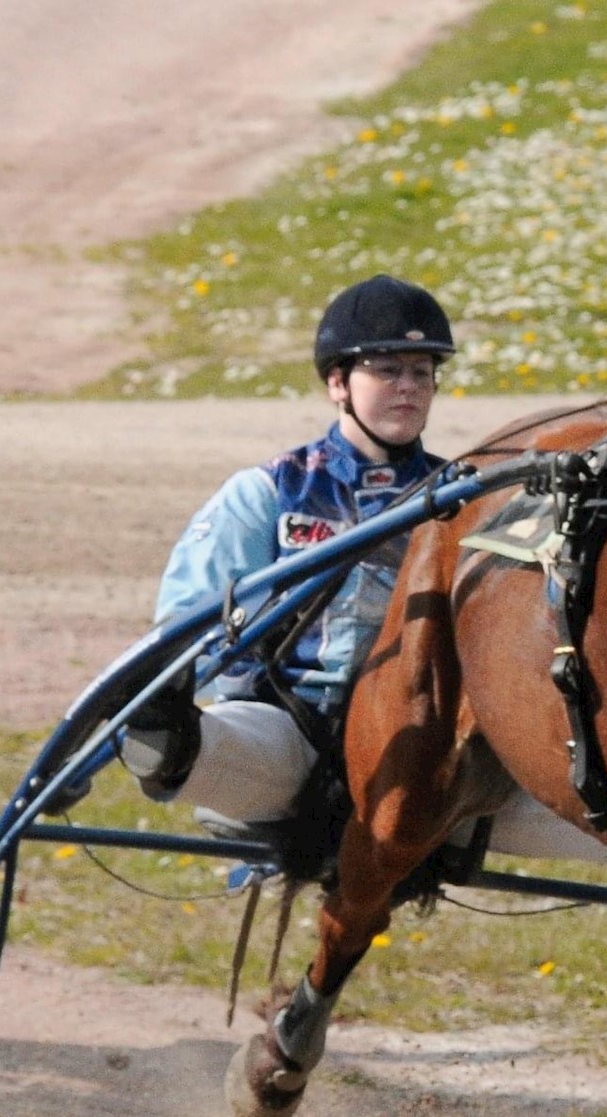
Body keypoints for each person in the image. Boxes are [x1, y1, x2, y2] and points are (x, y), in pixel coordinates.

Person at [119, 276, 453, 830]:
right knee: (213, 734)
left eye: (422, 373)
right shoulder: (269, 492)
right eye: (388, 370)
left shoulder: (462, 496)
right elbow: (186, 622)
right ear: (337, 383)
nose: (408, 387)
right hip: (294, 726)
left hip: (422, 736)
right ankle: (173, 745)